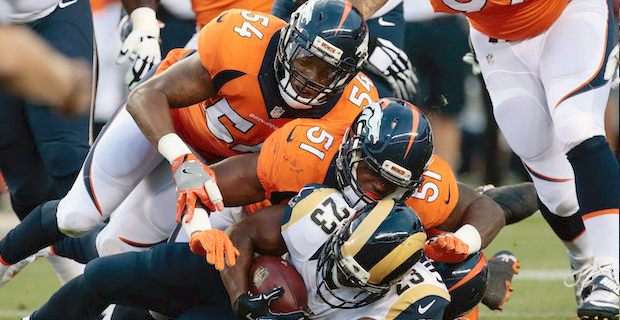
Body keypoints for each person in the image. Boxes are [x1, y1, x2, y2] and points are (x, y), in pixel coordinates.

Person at [16, 99, 533, 320]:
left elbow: (488, 206)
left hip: (282, 300)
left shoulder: (405, 291)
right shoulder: (311, 177)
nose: (373, 188)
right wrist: (209, 243)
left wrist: (468, 249)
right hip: (240, 242)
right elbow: (212, 194)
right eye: (371, 172)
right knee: (109, 271)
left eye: (391, 184)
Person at [0, 0, 375, 283]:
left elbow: (257, 170)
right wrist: (179, 156)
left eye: (328, 71)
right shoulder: (242, 40)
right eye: (306, 60)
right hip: (162, 126)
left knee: (115, 247)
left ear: (349, 75)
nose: (309, 78)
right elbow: (146, 97)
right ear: (290, 40)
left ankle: (51, 249)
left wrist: (199, 208)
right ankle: (6, 255)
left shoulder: (348, 110)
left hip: (213, 162)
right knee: (76, 217)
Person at [428, 0, 620, 317]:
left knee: (578, 127)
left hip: (568, 12)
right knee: (555, 191)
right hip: (497, 39)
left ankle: (609, 269)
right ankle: (587, 263)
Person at [224, 197, 449, 319]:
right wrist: (240, 297)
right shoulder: (319, 214)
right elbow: (242, 233)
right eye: (339, 264)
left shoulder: (419, 297)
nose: (336, 278)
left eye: (352, 280)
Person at [0, 0, 95, 286]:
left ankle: (105, 283)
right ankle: (79, 284)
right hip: (8, 28)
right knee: (25, 182)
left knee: (66, 156)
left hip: (57, 12)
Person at [271, 0, 419, 101]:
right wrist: (366, 47)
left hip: (378, 14)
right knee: (274, 68)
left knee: (372, 104)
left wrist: (360, 47)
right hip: (307, 9)